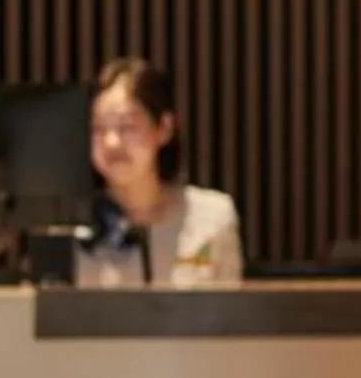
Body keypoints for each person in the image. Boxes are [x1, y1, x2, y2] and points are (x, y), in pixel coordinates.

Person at [76, 55, 244, 287]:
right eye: (98, 129)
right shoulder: (70, 230)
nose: (111, 142)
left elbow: (232, 317)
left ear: (164, 128)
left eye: (127, 127)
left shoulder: (213, 218)